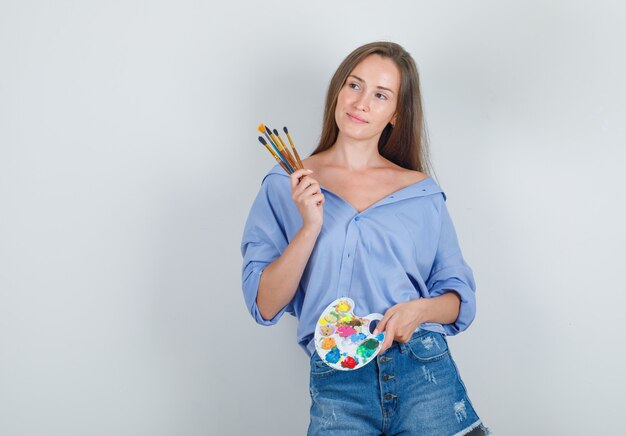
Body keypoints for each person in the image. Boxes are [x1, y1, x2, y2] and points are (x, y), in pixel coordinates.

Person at [241, 41, 490, 436]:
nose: (361, 103)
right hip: (339, 383)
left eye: (380, 95)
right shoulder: (285, 184)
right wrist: (309, 227)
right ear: (338, 91)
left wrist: (419, 311)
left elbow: (459, 300)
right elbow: (264, 305)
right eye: (354, 85)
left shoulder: (421, 192)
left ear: (396, 113)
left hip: (423, 371)